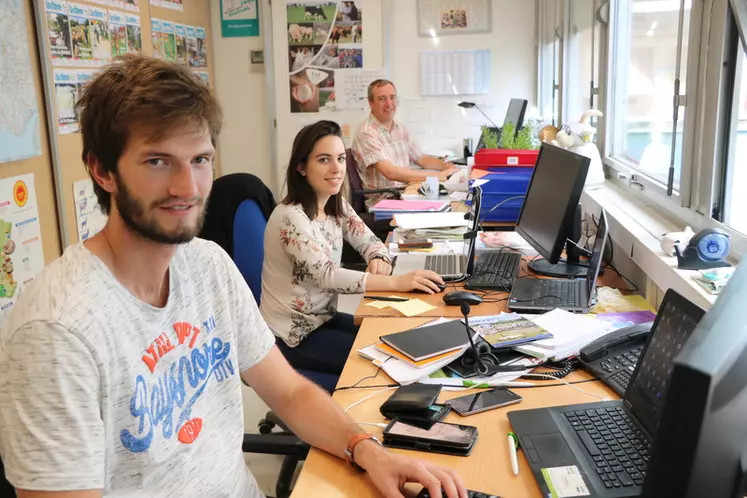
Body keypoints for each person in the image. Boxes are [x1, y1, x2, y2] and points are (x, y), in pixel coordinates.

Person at [0, 55, 467, 498]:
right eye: (158, 161)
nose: (188, 188)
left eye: (200, 159)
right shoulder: (56, 332)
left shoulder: (207, 265)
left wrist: (367, 451)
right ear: (102, 170)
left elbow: (288, 391)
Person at [261, 120, 445, 375]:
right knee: (386, 363)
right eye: (324, 160)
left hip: (324, 319)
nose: (336, 168)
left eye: (339, 158)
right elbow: (327, 276)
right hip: (293, 336)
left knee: (394, 340)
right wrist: (396, 282)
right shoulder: (291, 217)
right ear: (302, 167)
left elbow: (369, 241)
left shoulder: (336, 205)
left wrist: (379, 256)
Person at [352, 79, 459, 208]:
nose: (389, 103)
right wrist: (437, 176)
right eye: (382, 99)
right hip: (386, 200)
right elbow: (390, 173)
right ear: (371, 103)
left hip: (406, 193)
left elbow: (421, 158)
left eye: (392, 97)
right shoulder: (367, 133)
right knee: (444, 209)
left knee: (452, 204)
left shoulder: (400, 128)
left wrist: (447, 167)